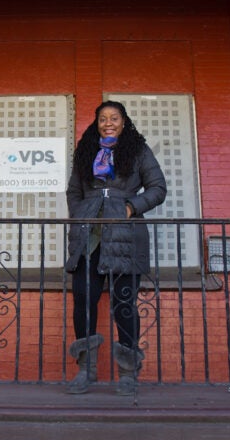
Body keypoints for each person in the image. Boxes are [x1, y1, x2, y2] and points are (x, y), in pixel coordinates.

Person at [64, 100, 167, 395]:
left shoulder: (137, 150)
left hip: (125, 237)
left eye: (114, 118)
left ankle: (128, 373)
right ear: (97, 123)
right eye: (103, 118)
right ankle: (86, 371)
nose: (108, 122)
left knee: (124, 304)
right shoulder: (85, 152)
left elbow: (158, 188)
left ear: (124, 122)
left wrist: (131, 207)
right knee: (84, 300)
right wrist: (81, 213)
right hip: (89, 237)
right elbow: (73, 191)